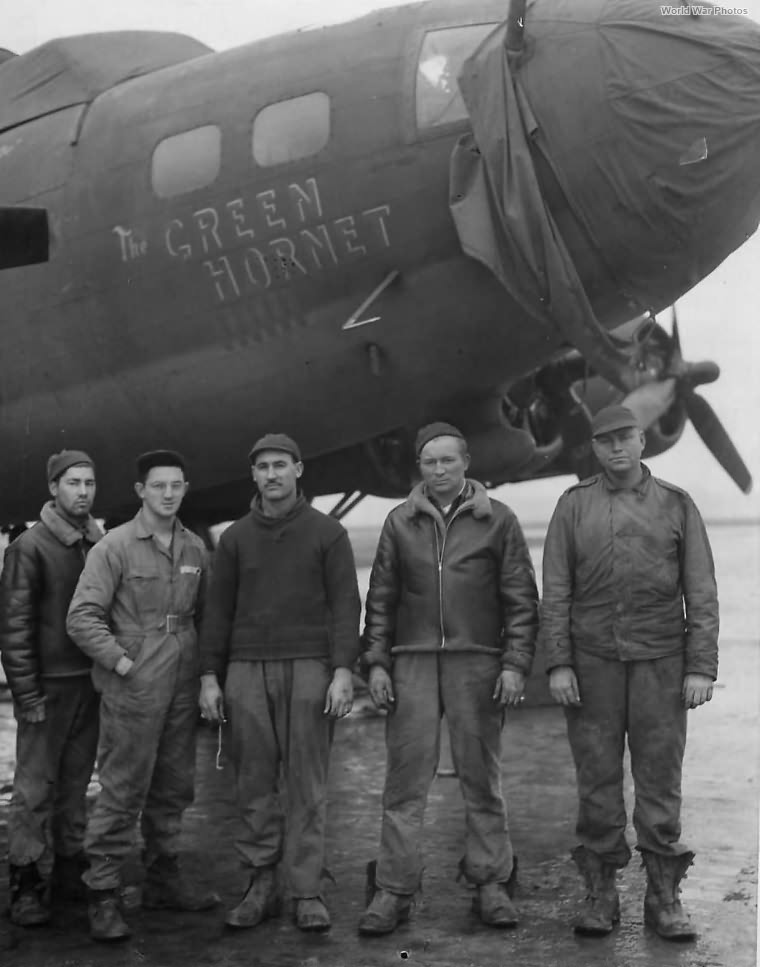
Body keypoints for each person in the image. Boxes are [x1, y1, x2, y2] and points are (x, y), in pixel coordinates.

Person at [540, 404, 718, 941]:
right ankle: (601, 896)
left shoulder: (677, 505)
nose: (616, 448)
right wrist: (559, 664)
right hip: (592, 667)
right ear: (593, 449)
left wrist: (701, 668)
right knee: (596, 783)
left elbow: (702, 592)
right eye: (605, 440)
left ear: (643, 441)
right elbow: (557, 594)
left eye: (625, 437)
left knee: (660, 783)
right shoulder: (572, 508)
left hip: (661, 666)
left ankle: (664, 899)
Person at [358, 422, 539, 936]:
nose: (439, 470)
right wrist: (375, 663)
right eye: (429, 462)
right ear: (420, 467)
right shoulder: (399, 522)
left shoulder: (498, 521)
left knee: (482, 778)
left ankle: (490, 881)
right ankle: (393, 889)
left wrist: (514, 663)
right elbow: (380, 600)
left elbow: (521, 600)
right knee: (404, 782)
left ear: (466, 463)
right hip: (411, 663)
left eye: (448, 461)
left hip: (476, 662)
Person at [198, 433, 361, 933]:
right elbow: (217, 612)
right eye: (263, 467)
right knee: (253, 783)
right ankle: (261, 883)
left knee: (307, 784)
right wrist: (209, 675)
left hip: (310, 667)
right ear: (253, 475)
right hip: (246, 669)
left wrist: (341, 671)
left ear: (298, 470)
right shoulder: (234, 539)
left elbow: (345, 607)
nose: (272, 475)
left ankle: (307, 889)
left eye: (281, 465)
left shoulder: (327, 533)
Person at [66, 450, 217, 942]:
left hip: (181, 677)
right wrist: (122, 661)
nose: (168, 494)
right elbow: (82, 617)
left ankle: (163, 877)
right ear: (140, 491)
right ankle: (104, 892)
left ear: (185, 488)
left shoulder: (194, 548)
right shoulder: (114, 547)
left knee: (174, 784)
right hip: (134, 681)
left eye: (176, 485)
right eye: (159, 486)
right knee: (123, 787)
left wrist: (205, 676)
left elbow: (207, 617)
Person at [0, 450, 101, 926]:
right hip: (47, 690)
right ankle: (23, 879)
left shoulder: (97, 542)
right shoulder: (30, 547)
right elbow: (15, 628)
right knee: (34, 789)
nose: (82, 491)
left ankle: (67, 869)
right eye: (73, 483)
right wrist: (27, 694)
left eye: (89, 483)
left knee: (77, 786)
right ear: (54, 489)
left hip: (89, 686)